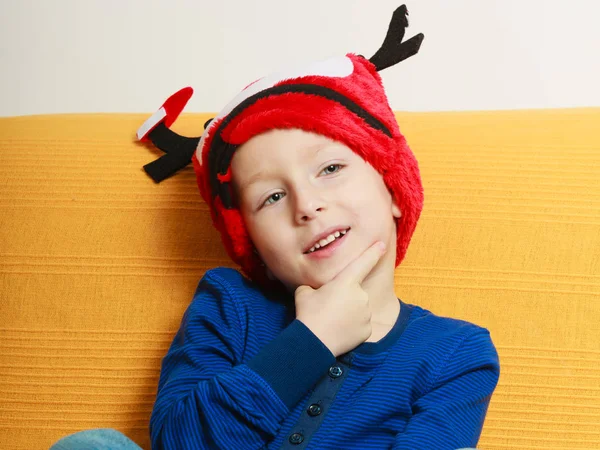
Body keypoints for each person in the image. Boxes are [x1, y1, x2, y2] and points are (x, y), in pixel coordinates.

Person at [50, 5, 498, 450]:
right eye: (273, 197)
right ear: (252, 244)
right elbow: (179, 441)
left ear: (395, 192)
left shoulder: (457, 352)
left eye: (330, 168)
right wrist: (313, 341)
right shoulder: (230, 306)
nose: (306, 206)